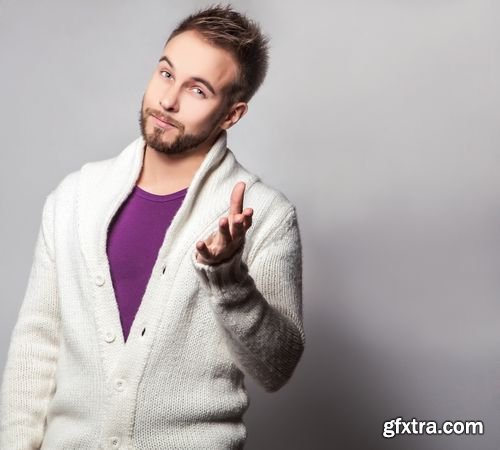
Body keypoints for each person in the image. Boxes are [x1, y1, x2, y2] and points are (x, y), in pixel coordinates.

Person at [0, 4, 305, 449]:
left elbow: (277, 369)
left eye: (197, 91)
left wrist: (228, 277)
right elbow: (36, 347)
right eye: (166, 74)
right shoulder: (74, 198)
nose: (167, 101)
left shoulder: (267, 215)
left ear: (231, 114)